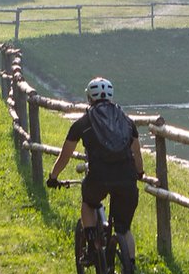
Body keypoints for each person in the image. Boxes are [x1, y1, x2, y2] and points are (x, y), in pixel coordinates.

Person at [46, 75, 144, 257]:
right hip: (126, 178)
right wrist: (139, 173)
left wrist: (53, 176)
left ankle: (91, 248)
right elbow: (137, 153)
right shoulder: (127, 121)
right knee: (124, 230)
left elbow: (65, 155)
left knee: (89, 203)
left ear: (89, 98)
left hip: (98, 177)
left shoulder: (82, 123)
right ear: (111, 97)